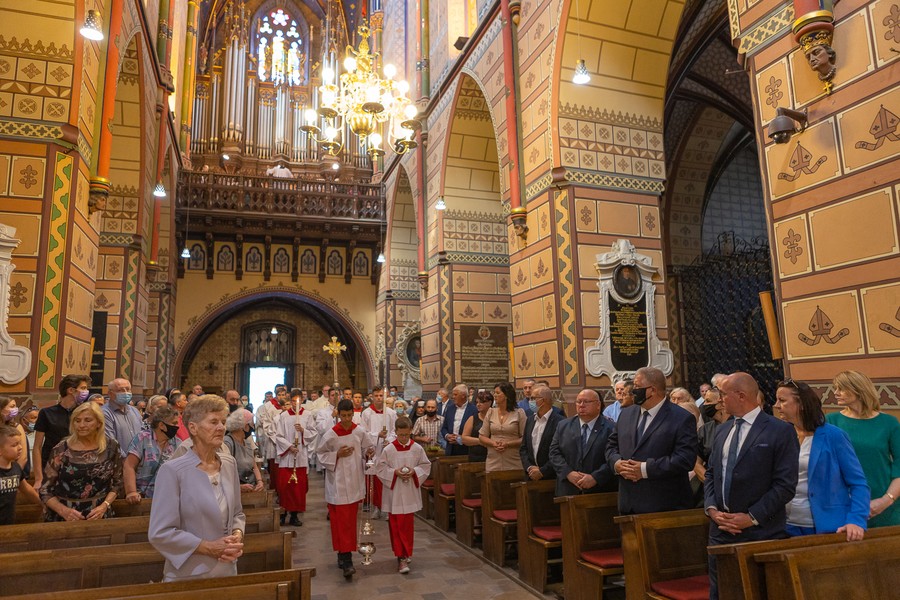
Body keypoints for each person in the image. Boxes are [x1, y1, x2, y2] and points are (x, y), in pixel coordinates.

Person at [704, 372, 799, 600]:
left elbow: (785, 486)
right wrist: (712, 509)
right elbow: (711, 474)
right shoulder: (722, 429)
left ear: (741, 395)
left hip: (760, 531)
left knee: (758, 593)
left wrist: (751, 517)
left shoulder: (779, 430)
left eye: (723, 395)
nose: (720, 400)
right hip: (720, 530)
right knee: (721, 593)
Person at [148, 395, 246, 582]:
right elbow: (160, 532)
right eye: (213, 422)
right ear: (193, 427)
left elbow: (237, 514)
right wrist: (208, 547)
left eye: (223, 422)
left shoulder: (228, 463)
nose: (221, 427)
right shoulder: (172, 470)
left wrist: (237, 535)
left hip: (227, 568)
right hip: (189, 572)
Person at [774, 379, 868, 540]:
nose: (776, 405)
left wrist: (856, 520)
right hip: (786, 525)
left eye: (782, 400)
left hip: (826, 525)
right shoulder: (781, 435)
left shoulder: (833, 436)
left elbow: (858, 483)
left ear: (801, 404)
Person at [606, 367, 698, 515]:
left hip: (665, 506)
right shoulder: (626, 414)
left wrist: (645, 469)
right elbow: (611, 446)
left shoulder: (681, 418)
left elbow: (685, 459)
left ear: (652, 390)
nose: (632, 391)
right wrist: (616, 463)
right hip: (628, 504)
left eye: (637, 386)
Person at [826, 370, 900, 527]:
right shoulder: (831, 421)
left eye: (841, 388)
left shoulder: (889, 423)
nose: (836, 393)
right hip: (844, 505)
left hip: (885, 505)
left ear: (858, 390)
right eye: (835, 388)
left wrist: (886, 500)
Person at [317, 399, 375, 578]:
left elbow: (369, 447)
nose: (347, 419)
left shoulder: (359, 431)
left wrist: (368, 453)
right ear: (338, 415)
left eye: (350, 415)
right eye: (343, 416)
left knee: (349, 522)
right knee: (341, 523)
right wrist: (336, 454)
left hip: (355, 482)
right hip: (338, 484)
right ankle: (346, 558)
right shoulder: (331, 434)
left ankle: (344, 554)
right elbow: (320, 454)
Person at [40, 402, 123, 522]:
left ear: (99, 423)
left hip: (99, 514)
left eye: (88, 420)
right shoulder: (61, 449)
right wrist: (63, 510)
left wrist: (104, 505)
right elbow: (45, 490)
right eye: (77, 421)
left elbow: (118, 483)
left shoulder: (111, 447)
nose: (81, 425)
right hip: (65, 515)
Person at [375, 416, 432, 574]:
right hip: (394, 493)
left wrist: (414, 471)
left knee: (407, 525)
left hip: (409, 492)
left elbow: (425, 465)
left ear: (410, 432)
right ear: (396, 432)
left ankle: (406, 553)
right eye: (400, 435)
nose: (403, 438)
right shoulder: (389, 449)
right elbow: (380, 469)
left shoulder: (417, 448)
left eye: (406, 435)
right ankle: (401, 556)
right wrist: (395, 472)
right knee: (396, 525)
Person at [548, 388, 615, 496]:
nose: (581, 405)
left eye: (586, 402)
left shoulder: (611, 428)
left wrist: (595, 477)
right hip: (568, 489)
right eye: (579, 402)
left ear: (598, 405)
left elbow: (614, 457)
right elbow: (554, 453)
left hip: (599, 490)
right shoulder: (563, 426)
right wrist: (568, 473)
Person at [33, 374, 89, 490]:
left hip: (78, 465)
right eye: (83, 388)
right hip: (50, 465)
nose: (86, 391)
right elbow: (37, 447)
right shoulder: (47, 413)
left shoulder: (84, 413)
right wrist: (38, 478)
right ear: (71, 390)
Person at [124, 406, 181, 502]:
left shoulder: (178, 443)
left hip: (167, 498)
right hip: (140, 498)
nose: (177, 427)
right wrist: (131, 492)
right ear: (161, 425)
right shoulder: (142, 438)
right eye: (174, 423)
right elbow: (129, 466)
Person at [273, 397, 315, 526]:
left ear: (302, 401)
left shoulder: (307, 415)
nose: (295, 404)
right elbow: (278, 435)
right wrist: (289, 447)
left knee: (298, 488)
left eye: (298, 401)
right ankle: (283, 513)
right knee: (285, 487)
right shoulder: (284, 416)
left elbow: (313, 432)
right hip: (287, 457)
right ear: (290, 401)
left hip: (300, 456)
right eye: (293, 401)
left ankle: (295, 515)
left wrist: (303, 431)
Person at [361, 386, 396, 519]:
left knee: (387, 478)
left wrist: (390, 440)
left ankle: (387, 508)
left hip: (387, 450)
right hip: (374, 450)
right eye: (376, 396)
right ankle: (376, 506)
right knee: (374, 479)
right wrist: (377, 435)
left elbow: (394, 431)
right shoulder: (367, 413)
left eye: (381, 395)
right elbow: (364, 432)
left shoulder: (391, 413)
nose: (379, 398)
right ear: (372, 397)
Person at [478, 382, 527, 472]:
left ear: (506, 395)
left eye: (498, 393)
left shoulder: (519, 413)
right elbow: (482, 436)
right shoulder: (491, 412)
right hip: (493, 460)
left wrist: (507, 444)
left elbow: (525, 438)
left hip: (513, 460)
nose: (495, 395)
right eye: (494, 393)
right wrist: (493, 443)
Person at [0, 425, 42, 525]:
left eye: (19, 443)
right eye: (14, 445)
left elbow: (26, 488)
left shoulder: (16, 468)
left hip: (8, 522)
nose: (20, 448)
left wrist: (43, 503)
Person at [519, 384, 561, 481]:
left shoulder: (560, 422)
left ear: (544, 400)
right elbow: (523, 448)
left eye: (533, 398)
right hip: (531, 476)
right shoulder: (530, 420)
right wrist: (529, 467)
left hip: (552, 477)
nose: (531, 401)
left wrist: (542, 471)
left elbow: (561, 451)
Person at [223, 409, 264, 493]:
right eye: (251, 423)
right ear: (243, 426)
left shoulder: (247, 442)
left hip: (250, 486)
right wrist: (238, 486)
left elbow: (254, 466)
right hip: (234, 488)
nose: (253, 426)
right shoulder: (227, 443)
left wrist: (259, 481)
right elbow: (224, 471)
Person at [103, 378, 142, 458]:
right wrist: (128, 462)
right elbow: (110, 443)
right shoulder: (104, 413)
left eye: (128, 389)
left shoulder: (135, 411)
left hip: (138, 462)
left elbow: (142, 435)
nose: (125, 393)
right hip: (117, 463)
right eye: (120, 390)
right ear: (110, 393)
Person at [257, 387, 285, 489]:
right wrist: (277, 439)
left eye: (283, 395)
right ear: (276, 396)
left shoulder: (287, 408)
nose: (281, 397)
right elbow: (267, 425)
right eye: (279, 395)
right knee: (275, 467)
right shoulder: (270, 408)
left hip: (286, 443)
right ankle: (275, 488)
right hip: (274, 442)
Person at [441, 385, 476, 456]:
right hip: (450, 449)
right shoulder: (450, 409)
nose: (453, 397)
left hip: (466, 449)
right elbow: (444, 428)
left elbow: (476, 431)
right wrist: (447, 436)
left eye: (455, 394)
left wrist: (460, 439)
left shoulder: (473, 410)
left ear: (463, 395)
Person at [460, 391, 492, 462]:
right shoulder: (472, 418)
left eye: (482, 402)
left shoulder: (495, 417)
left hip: (493, 456)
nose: (478, 404)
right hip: (476, 457)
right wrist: (480, 441)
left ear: (490, 403)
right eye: (477, 402)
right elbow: (464, 438)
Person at [0, 397, 27, 469]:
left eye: (15, 406)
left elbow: (23, 457)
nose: (15, 409)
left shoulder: (17, 427)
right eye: (12, 406)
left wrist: (15, 474)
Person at [20, 406, 39, 477]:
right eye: (33, 418)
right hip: (23, 475)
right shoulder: (18, 436)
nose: (37, 421)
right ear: (24, 420)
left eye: (38, 418)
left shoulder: (41, 436)